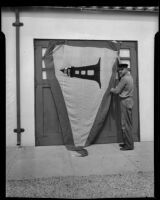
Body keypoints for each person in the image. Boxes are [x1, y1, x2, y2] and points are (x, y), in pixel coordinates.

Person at [110, 63, 134, 150]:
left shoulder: (124, 79)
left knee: (125, 124)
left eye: (121, 69)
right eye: (119, 70)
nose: (120, 71)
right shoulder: (129, 76)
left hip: (125, 101)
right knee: (127, 124)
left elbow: (116, 91)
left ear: (125, 69)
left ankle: (129, 145)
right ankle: (127, 143)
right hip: (129, 101)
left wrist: (110, 89)